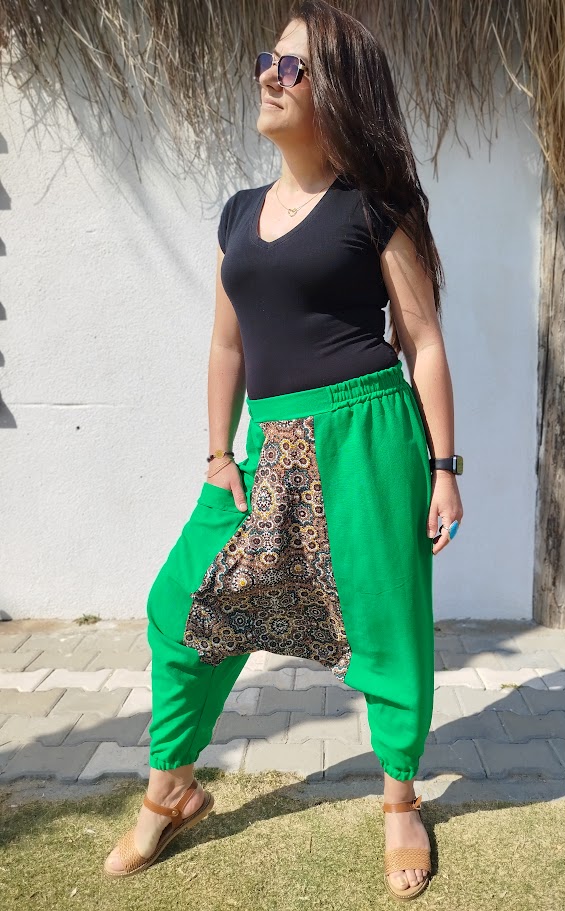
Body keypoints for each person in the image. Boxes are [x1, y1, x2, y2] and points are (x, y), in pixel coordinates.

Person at [103, 0, 463, 900]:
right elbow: (225, 345)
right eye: (268, 59)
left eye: (293, 66)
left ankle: (399, 800)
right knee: (180, 605)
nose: (270, 74)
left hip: (365, 432)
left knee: (386, 623)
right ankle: (171, 788)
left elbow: (422, 340)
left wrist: (443, 468)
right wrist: (217, 453)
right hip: (266, 443)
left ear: (335, 90)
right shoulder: (236, 215)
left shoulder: (373, 208)